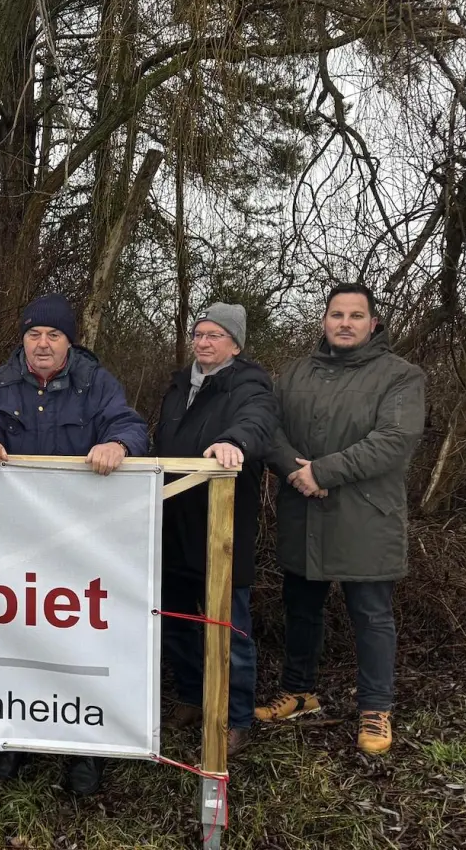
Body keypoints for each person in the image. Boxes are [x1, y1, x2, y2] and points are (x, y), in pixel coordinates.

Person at [0, 293, 149, 794]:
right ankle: (12, 738)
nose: (42, 343)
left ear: (69, 341)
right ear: (23, 339)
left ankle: (86, 748)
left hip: (83, 544)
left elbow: (130, 425)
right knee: (15, 637)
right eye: (34, 334)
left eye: (53, 335)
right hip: (16, 542)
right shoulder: (0, 382)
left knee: (81, 643)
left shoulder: (96, 382)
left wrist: (118, 444)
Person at [257, 283, 425, 756]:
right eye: (337, 314)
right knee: (301, 607)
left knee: (371, 615)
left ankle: (375, 706)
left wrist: (324, 471)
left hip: (365, 517)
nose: (345, 323)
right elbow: (269, 430)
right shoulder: (293, 374)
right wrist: (297, 472)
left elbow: (394, 439)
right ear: (324, 321)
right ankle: (300, 692)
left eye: (356, 315)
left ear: (373, 324)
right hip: (304, 512)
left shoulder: (401, 376)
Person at [153, 304, 278, 756]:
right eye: (199, 334)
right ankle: (191, 696)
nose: (203, 342)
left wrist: (234, 442)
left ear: (236, 345)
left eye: (215, 336)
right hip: (172, 522)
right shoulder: (176, 386)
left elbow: (259, 422)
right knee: (177, 621)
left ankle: (236, 717)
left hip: (221, 525)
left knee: (229, 627)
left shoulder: (248, 383)